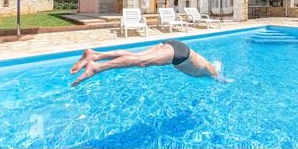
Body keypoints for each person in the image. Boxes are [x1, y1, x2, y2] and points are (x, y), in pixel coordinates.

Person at [70, 40, 219, 87]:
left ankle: (95, 54)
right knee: (141, 61)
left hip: (176, 47)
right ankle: (96, 67)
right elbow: (218, 76)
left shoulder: (205, 66)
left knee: (137, 56)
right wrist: (224, 80)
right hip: (180, 54)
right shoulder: (211, 71)